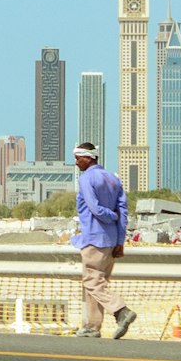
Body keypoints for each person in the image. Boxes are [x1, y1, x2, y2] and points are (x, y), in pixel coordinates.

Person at [70, 142, 136, 339]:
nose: (76, 163)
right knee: (98, 283)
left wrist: (111, 216)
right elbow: (123, 212)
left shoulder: (86, 179)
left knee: (91, 282)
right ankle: (92, 326)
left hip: (94, 238)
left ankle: (121, 311)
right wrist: (120, 241)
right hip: (111, 240)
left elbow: (95, 209)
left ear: (88, 157)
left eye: (78, 158)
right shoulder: (113, 179)